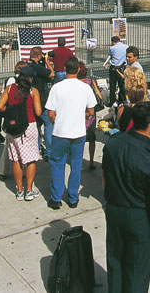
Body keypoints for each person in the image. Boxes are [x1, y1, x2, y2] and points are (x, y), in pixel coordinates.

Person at [102, 101, 150, 293]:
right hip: (138, 218)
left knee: (115, 262)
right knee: (137, 271)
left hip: (114, 211)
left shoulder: (113, 143)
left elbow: (104, 177)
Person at [45, 57, 96, 209]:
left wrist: (57, 121)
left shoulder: (57, 88)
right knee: (76, 164)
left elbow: (50, 113)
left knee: (57, 163)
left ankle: (56, 198)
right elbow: (91, 111)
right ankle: (73, 197)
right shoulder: (85, 88)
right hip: (79, 132)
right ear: (78, 70)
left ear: (65, 69)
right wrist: (82, 116)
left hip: (60, 132)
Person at [0, 67, 42, 201]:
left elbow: (0, 107)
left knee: (16, 158)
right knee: (31, 159)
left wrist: (12, 111)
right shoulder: (33, 91)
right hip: (30, 125)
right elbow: (38, 112)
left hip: (13, 126)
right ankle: (29, 190)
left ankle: (19, 190)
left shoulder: (10, 88)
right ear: (30, 78)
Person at [28, 47, 55, 158]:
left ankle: (37, 147)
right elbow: (51, 74)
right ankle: (48, 152)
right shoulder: (37, 67)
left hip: (31, 100)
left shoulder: (28, 66)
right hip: (41, 100)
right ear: (39, 56)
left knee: (37, 125)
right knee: (48, 123)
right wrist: (47, 62)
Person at [77, 62, 103, 170]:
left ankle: (78, 161)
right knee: (92, 138)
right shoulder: (90, 82)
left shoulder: (75, 84)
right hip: (91, 112)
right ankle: (91, 161)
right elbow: (99, 95)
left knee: (79, 140)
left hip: (79, 113)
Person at [108, 36, 129, 107]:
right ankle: (122, 100)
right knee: (122, 85)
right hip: (122, 68)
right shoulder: (126, 47)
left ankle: (112, 102)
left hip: (114, 68)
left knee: (112, 86)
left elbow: (110, 55)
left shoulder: (112, 48)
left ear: (113, 42)